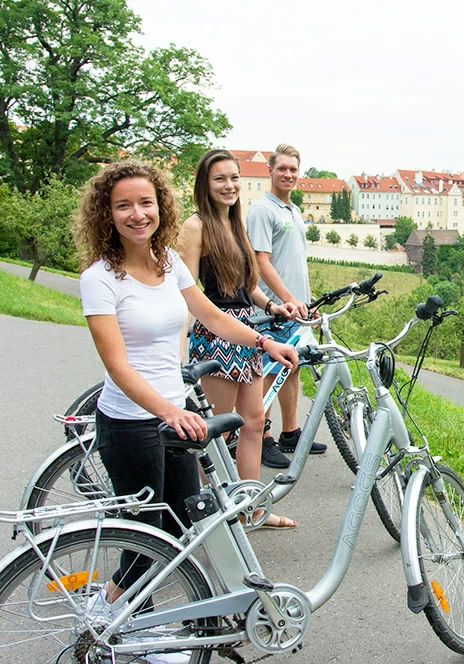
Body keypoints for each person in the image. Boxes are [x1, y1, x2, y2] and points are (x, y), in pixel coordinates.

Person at [75, 160, 299, 663]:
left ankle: (134, 618)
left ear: (161, 206)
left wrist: (265, 342)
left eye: (146, 203)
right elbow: (117, 366)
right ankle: (114, 617)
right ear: (106, 214)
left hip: (175, 417)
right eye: (124, 205)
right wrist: (168, 413)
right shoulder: (99, 278)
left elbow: (212, 315)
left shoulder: (168, 263)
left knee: (179, 526)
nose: (137, 214)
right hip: (132, 422)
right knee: (147, 533)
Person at [179, 149, 298, 529]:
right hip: (216, 333)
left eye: (234, 178)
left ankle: (252, 508)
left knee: (254, 422)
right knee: (215, 430)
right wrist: (179, 342)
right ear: (205, 184)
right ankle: (201, 516)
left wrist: (272, 305)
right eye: (220, 179)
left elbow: (247, 286)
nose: (229, 186)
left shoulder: (237, 222)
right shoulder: (196, 227)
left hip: (246, 331)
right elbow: (186, 289)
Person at [246, 143, 326, 466]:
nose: (288, 174)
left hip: (295, 308)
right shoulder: (262, 211)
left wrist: (307, 301)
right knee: (267, 370)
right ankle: (263, 436)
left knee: (292, 367)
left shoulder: (293, 212)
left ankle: (290, 432)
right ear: (270, 171)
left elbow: (295, 264)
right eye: (282, 169)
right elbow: (261, 262)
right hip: (273, 309)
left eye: (293, 169)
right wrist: (288, 299)